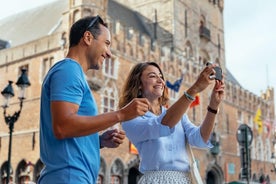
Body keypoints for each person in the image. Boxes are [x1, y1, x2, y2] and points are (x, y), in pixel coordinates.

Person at [38, 15, 149, 184]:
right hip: (69, 178)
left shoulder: (73, 73)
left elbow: (66, 134)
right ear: (88, 38)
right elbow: (63, 127)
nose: (109, 53)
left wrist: (97, 141)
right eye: (107, 43)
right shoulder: (69, 70)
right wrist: (121, 114)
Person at [118, 61, 225, 184]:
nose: (160, 80)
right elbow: (161, 125)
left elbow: (200, 139)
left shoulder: (177, 114)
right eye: (152, 76)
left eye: (161, 77)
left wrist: (213, 106)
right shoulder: (130, 118)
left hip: (184, 179)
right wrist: (194, 89)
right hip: (156, 180)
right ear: (139, 84)